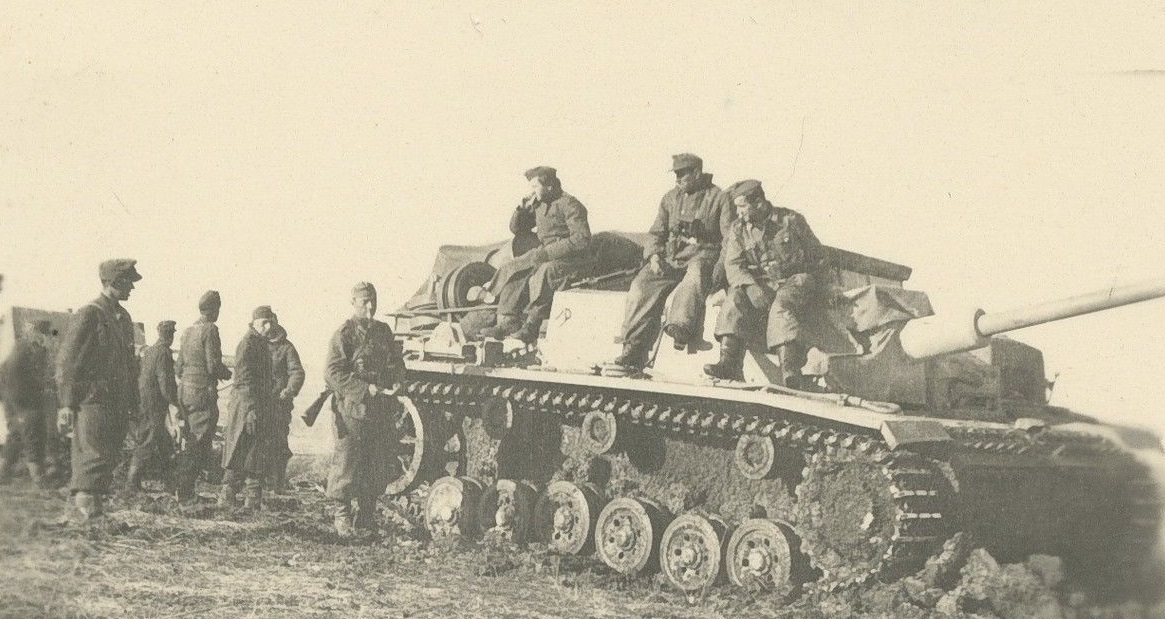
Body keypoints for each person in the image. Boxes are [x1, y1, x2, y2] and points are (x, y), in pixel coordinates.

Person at [604, 154, 734, 376]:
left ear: (697, 173)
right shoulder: (670, 198)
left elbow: (729, 239)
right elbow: (656, 232)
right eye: (676, 174)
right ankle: (633, 349)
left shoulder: (719, 198)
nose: (678, 179)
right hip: (671, 258)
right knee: (641, 286)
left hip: (702, 255)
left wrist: (719, 270)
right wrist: (654, 256)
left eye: (682, 174)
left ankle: (680, 328)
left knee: (695, 277)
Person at [704, 180, 827, 389]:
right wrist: (751, 286)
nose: (738, 212)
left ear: (759, 203)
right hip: (763, 283)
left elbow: (818, 256)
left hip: (795, 280)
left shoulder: (790, 220)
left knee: (782, 305)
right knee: (735, 297)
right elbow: (733, 265)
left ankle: (790, 371)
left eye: (742, 206)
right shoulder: (739, 229)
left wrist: (819, 288)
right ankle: (729, 363)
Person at [56, 259, 142, 521]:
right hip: (91, 400)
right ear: (114, 282)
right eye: (128, 282)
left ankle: (87, 510)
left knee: (107, 455)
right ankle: (84, 514)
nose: (132, 288)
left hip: (116, 400)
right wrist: (66, 405)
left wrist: (133, 403)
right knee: (91, 455)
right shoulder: (90, 314)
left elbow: (129, 365)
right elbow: (68, 363)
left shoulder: (123, 318)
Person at [325, 282, 404, 537]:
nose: (370, 307)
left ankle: (366, 517)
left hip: (380, 409)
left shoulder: (383, 331)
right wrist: (364, 388)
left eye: (373, 301)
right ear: (354, 303)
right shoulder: (344, 334)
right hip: (352, 410)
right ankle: (342, 516)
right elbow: (333, 373)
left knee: (376, 463)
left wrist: (397, 380)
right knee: (347, 463)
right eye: (364, 302)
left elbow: (397, 363)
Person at [480, 166, 594, 344]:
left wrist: (549, 252)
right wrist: (521, 210)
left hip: (572, 258)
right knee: (513, 267)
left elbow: (581, 239)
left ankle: (532, 325)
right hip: (545, 252)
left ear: (549, 186)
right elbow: (517, 229)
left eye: (535, 186)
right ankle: (508, 321)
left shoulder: (570, 204)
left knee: (545, 272)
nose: (532, 191)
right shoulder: (539, 205)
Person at [173, 290, 232, 510]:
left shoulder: (188, 331)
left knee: (189, 440)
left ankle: (183, 491)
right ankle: (186, 495)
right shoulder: (210, 329)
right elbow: (213, 366)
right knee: (198, 443)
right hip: (201, 394)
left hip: (185, 392)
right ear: (215, 310)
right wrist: (227, 373)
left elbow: (178, 367)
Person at [219, 306, 276, 511]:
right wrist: (251, 410)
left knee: (254, 451)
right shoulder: (248, 344)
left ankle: (252, 500)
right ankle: (227, 496)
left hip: (257, 405)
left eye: (270, 322)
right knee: (241, 449)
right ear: (254, 323)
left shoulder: (260, 343)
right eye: (263, 323)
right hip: (247, 406)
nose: (268, 327)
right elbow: (244, 380)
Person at [0, 320, 56, 486]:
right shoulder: (25, 348)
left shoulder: (31, 347)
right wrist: (23, 403)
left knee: (16, 434)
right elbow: (12, 374)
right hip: (22, 399)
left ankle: (3, 473)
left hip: (15, 397)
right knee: (34, 431)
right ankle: (39, 479)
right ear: (36, 333)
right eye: (44, 334)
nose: (47, 337)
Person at [126, 320, 179, 494]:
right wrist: (175, 402)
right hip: (154, 405)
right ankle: (131, 484)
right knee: (148, 442)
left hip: (146, 402)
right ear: (170, 336)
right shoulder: (164, 353)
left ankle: (170, 484)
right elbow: (165, 383)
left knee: (165, 444)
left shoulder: (150, 351)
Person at [265, 310, 304, 494]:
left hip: (278, 405)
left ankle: (277, 484)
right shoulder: (255, 344)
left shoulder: (287, 348)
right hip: (258, 403)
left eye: (271, 322)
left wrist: (289, 391)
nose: (268, 327)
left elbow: (297, 372)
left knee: (279, 444)